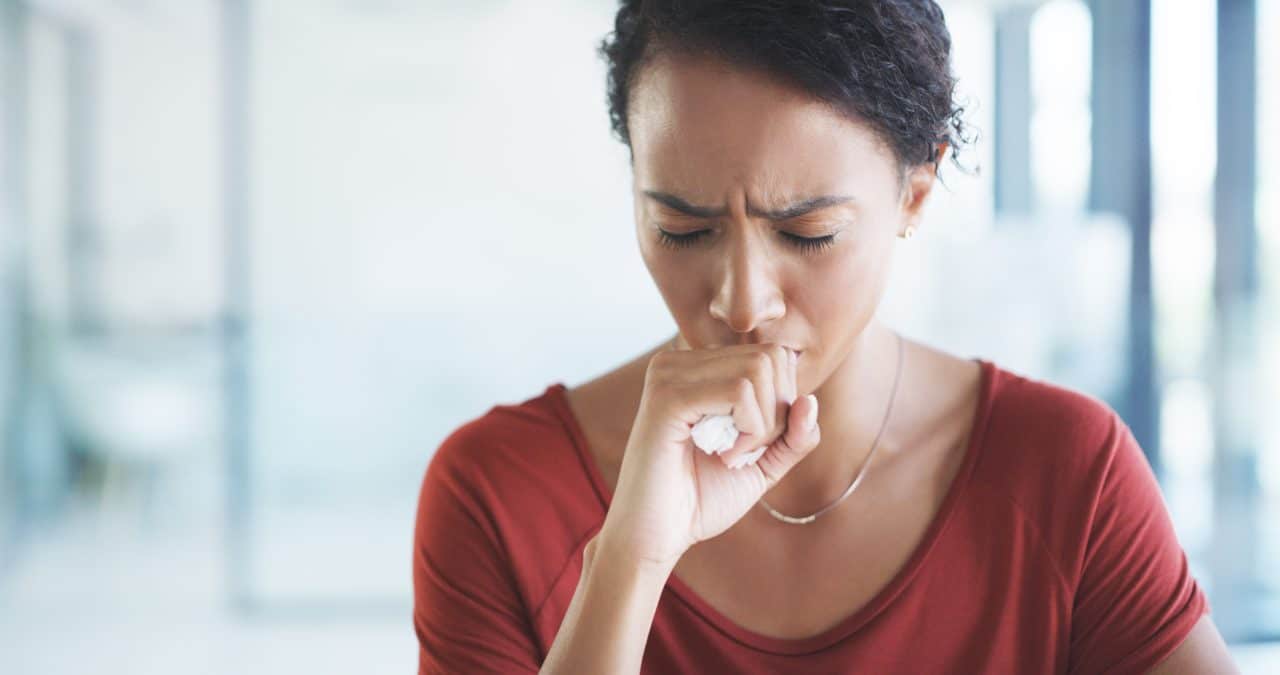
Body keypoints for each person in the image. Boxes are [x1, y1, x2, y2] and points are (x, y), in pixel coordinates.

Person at [413, 1, 1238, 672]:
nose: (742, 303)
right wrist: (629, 560)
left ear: (915, 195)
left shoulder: (1067, 476)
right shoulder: (496, 492)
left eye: (807, 233)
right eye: (681, 227)